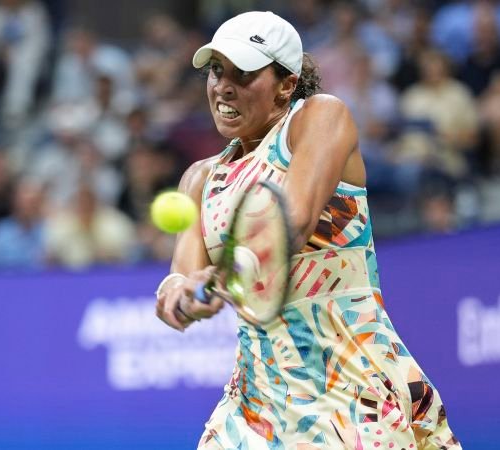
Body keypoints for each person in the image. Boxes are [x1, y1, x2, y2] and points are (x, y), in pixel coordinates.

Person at [154, 11, 460, 449]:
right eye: (217, 71)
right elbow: (180, 275)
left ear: (286, 83)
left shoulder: (319, 118)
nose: (223, 85)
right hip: (255, 404)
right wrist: (179, 297)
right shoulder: (200, 179)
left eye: (243, 73)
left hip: (351, 388)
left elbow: (293, 222)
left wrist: (220, 276)